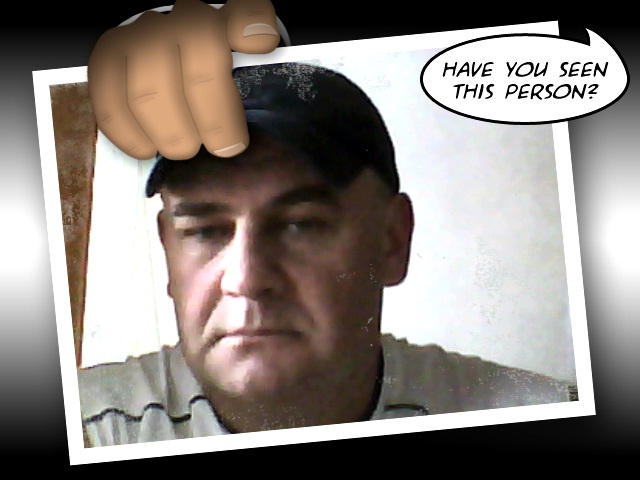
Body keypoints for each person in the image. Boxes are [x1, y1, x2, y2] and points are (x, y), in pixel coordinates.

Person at [78, 61, 573, 447]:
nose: (246, 279)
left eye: (300, 225)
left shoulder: (536, 410)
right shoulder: (86, 430)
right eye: (205, 231)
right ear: (168, 249)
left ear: (392, 241)